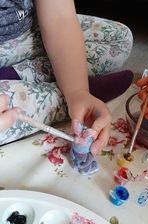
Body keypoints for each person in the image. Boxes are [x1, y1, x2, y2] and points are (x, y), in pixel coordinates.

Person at [0, 0, 134, 153]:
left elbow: (60, 18)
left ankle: (14, 76)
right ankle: (50, 93)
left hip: (21, 37)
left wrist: (77, 91)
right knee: (8, 117)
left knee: (119, 39)